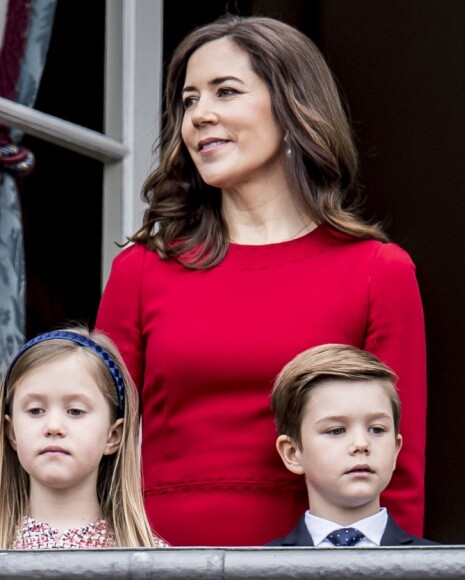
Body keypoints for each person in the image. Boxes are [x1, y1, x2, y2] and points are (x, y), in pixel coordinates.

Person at [96, 13, 427, 546]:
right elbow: (98, 448)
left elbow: (401, 472)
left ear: (293, 107)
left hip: (318, 565)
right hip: (158, 560)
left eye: (225, 91)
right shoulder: (140, 271)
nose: (200, 115)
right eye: (189, 100)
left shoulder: (377, 271)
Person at [0, 326, 166, 549]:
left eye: (75, 411)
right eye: (36, 411)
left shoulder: (148, 557)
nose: (54, 427)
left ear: (113, 435)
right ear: (12, 433)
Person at [266, 344, 434, 547]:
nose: (362, 444)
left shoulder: (446, 568)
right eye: (336, 430)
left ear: (395, 450)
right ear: (292, 453)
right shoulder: (252, 571)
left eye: (377, 429)